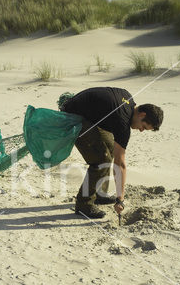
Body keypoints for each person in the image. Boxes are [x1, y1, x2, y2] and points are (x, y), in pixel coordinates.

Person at [60, 86, 163, 219]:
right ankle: (83, 205)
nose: (141, 130)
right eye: (143, 127)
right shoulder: (123, 122)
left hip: (87, 116)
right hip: (72, 118)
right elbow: (120, 164)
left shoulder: (128, 97)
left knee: (109, 148)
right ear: (142, 115)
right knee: (101, 160)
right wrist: (120, 199)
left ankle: (99, 194)